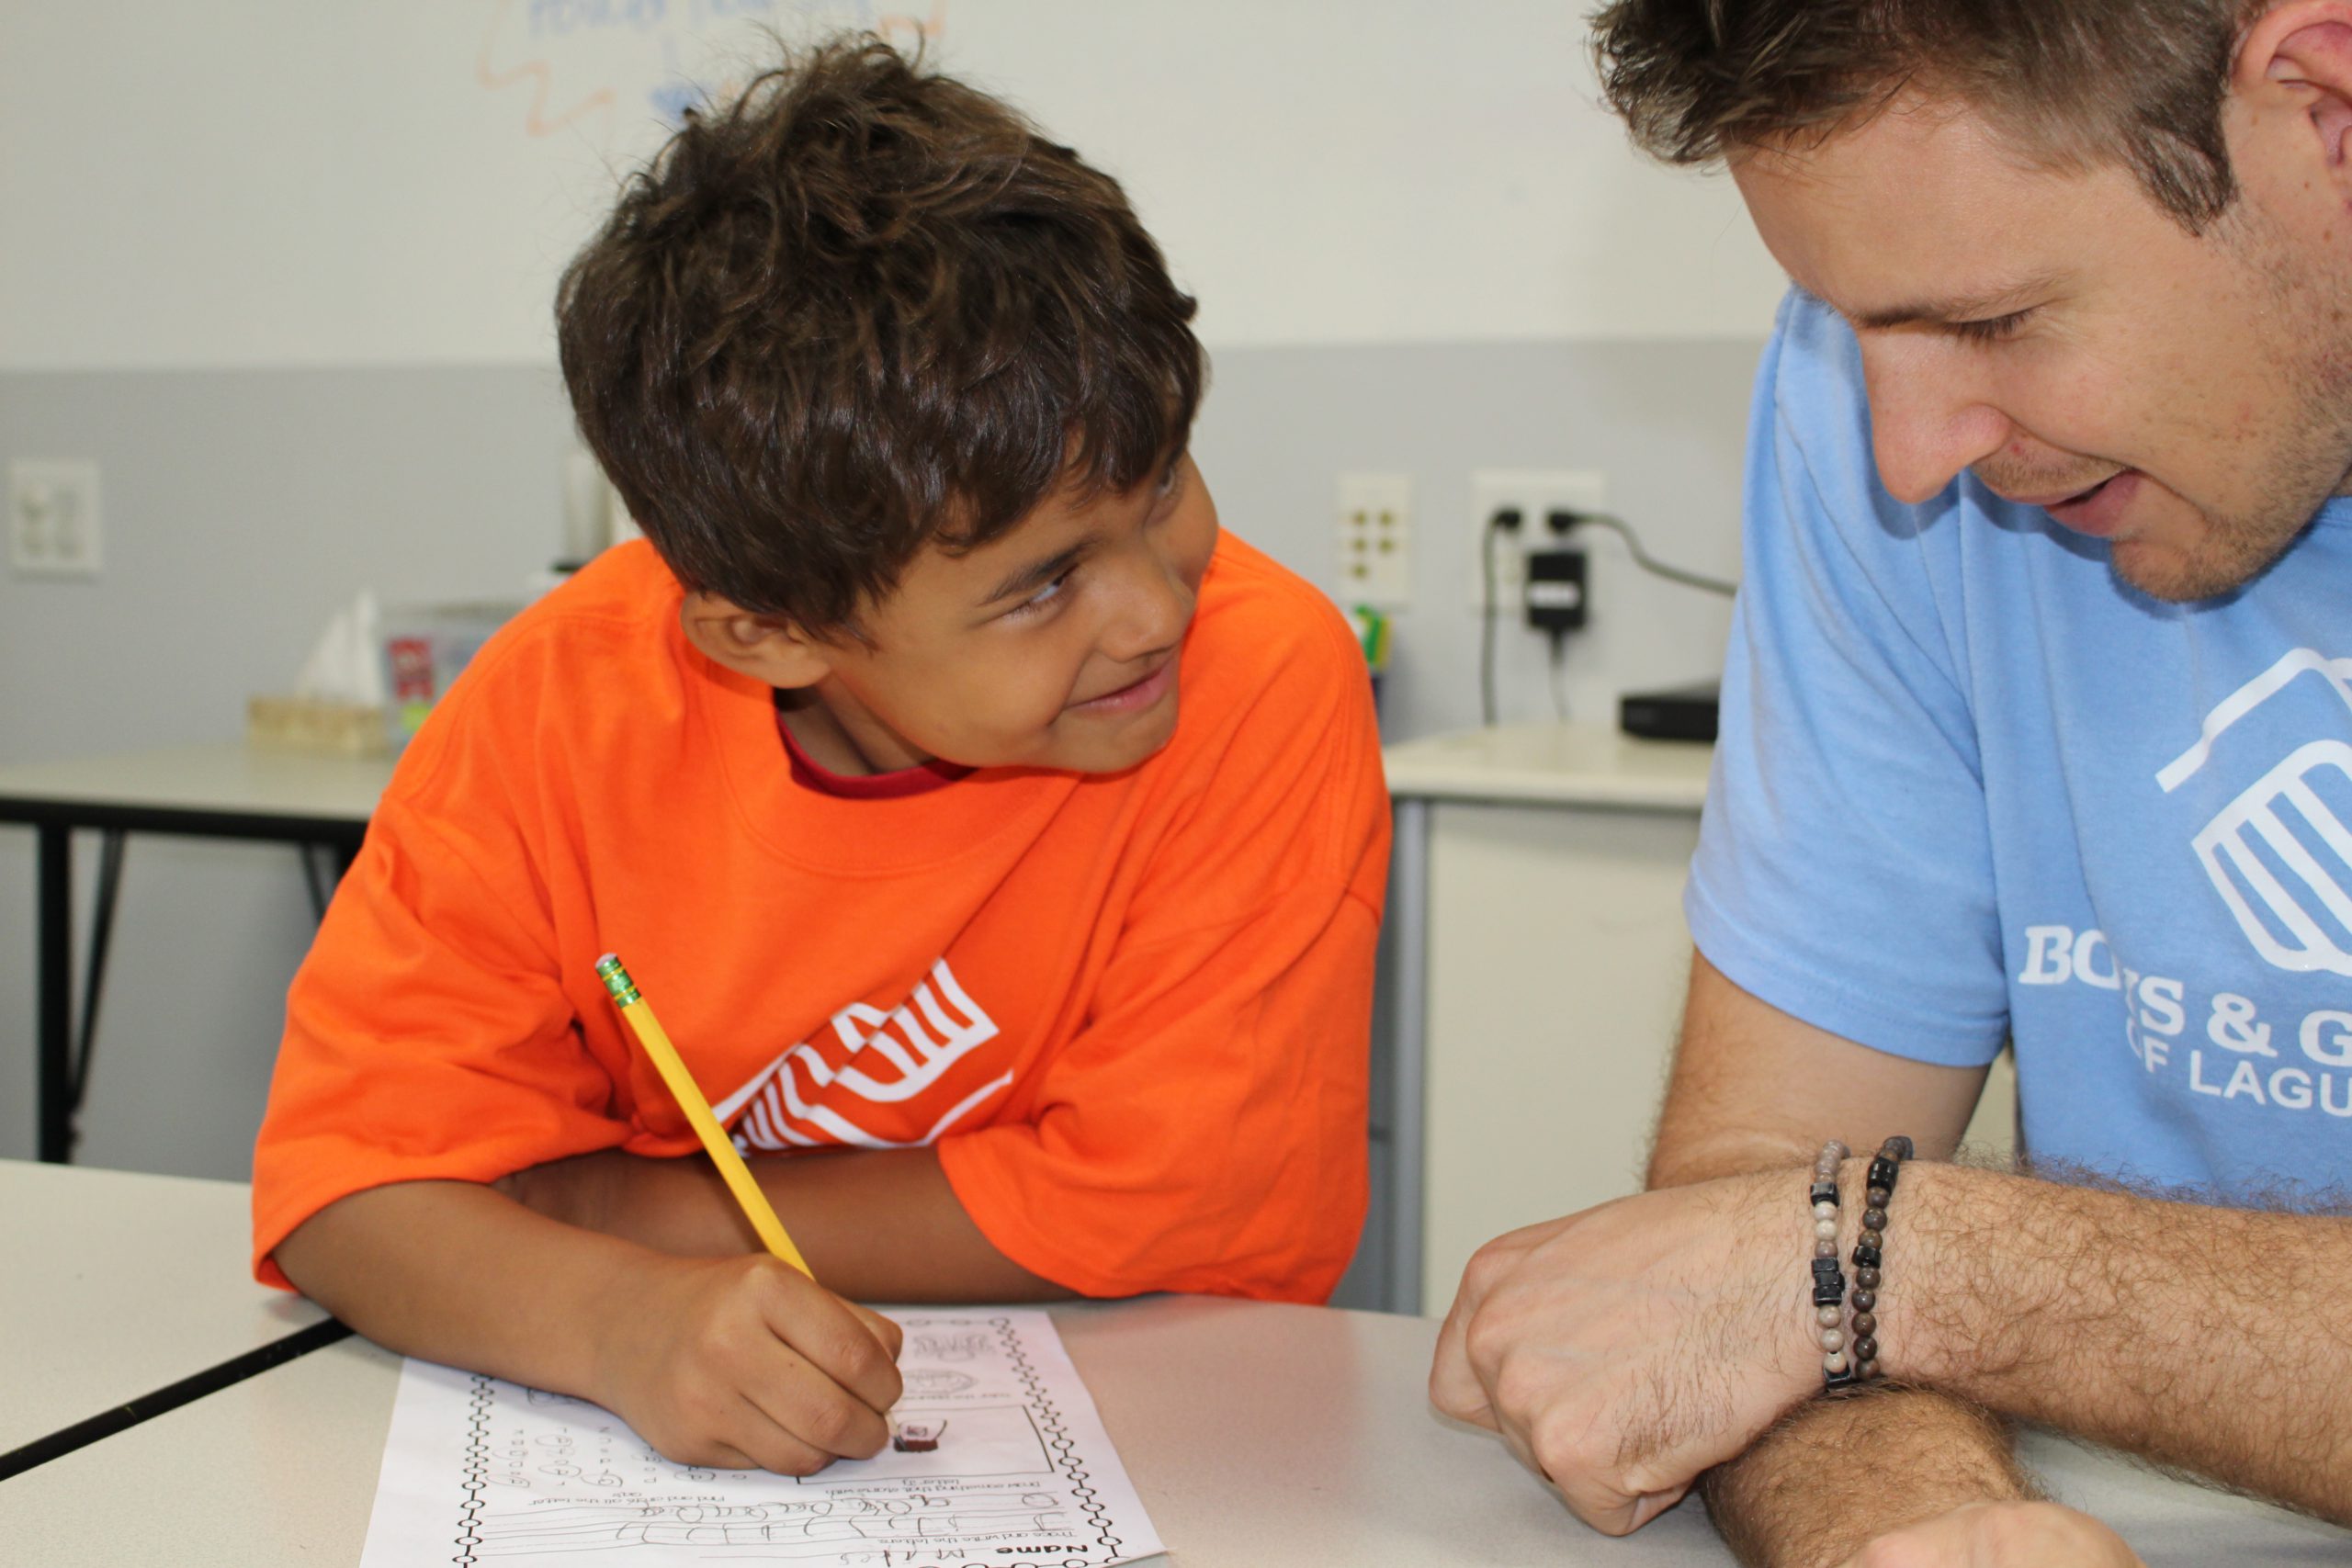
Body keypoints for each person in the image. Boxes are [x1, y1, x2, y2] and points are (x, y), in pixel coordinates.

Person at [254, 37, 1387, 1480]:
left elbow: (1187, 1211)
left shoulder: (1258, 674)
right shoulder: (561, 706)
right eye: (1041, 585)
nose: (1156, 607)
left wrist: (604, 1209)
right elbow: (347, 1188)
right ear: (770, 629)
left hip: (1184, 1435)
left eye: (1161, 481)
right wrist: (616, 1326)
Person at [1430, 3, 2352, 1562]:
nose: (1911, 455)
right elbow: (1755, 1209)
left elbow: (1807, 1250)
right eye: (1853, 325)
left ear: (2324, 110)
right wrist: (1917, 1525)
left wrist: (1910, 1262)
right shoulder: (1869, 405)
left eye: (1996, 324)